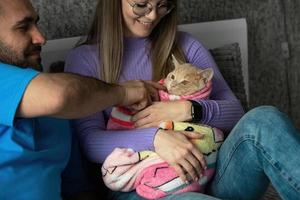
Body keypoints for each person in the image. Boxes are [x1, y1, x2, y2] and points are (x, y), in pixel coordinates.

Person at [65, 0, 300, 200]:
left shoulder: (185, 46)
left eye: (162, 5)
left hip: (214, 173)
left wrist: (188, 109)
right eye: (141, 5)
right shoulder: (84, 59)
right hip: (147, 186)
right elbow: (90, 141)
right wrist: (156, 139)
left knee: (264, 119)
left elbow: (237, 113)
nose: (153, 15)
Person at [0, 0, 163, 199]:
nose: (40, 38)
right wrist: (124, 93)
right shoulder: (62, 96)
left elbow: (78, 190)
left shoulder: (64, 112)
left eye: (36, 24)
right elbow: (61, 95)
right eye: (23, 27)